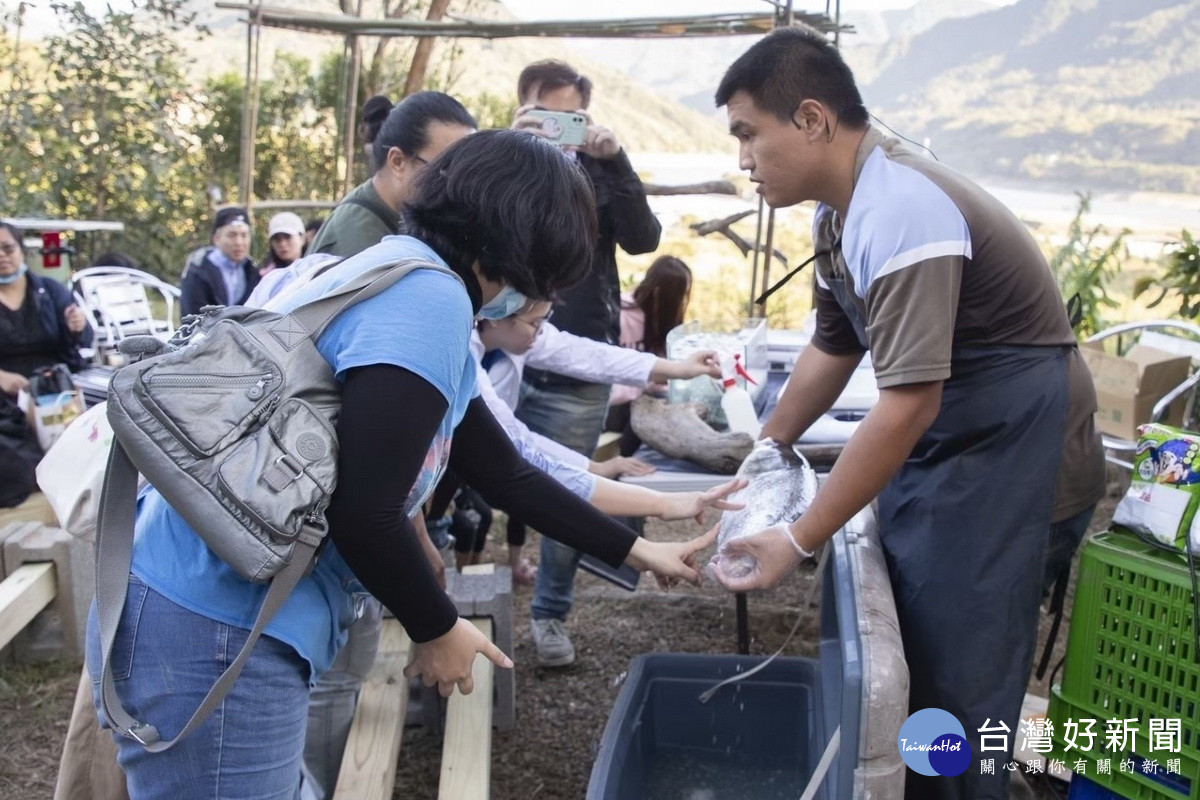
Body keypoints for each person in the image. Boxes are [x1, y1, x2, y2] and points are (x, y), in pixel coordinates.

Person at [86, 130, 717, 800]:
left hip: (202, 610)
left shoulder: (400, 267)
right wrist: (438, 626)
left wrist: (638, 549)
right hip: (214, 632)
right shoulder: (429, 302)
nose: (548, 298)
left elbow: (504, 471)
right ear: (518, 244)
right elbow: (365, 511)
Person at [706, 27, 1105, 800]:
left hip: (1013, 460)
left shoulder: (901, 208)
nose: (744, 159)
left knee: (959, 688)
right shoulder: (840, 214)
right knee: (918, 651)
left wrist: (797, 535)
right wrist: (769, 448)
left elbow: (906, 402)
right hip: (958, 449)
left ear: (814, 120)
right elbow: (832, 345)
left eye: (749, 134)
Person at [293, 91, 478, 799]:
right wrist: (435, 624)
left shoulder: (411, 254)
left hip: (320, 535)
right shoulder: (400, 265)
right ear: (397, 162)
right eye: (447, 170)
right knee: (322, 683)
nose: (460, 193)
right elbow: (368, 471)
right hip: (295, 540)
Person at [509, 60, 663, 666]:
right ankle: (435, 594)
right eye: (545, 114)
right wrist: (519, 151)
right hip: (498, 347)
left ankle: (549, 614)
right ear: (522, 109)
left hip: (578, 354)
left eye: (572, 116)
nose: (561, 127)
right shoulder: (501, 162)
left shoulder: (601, 168)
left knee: (572, 494)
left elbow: (644, 239)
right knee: (458, 475)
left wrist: (615, 159)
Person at [473, 299, 721, 590]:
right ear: (494, 316)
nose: (541, 333)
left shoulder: (514, 335)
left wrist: (677, 369)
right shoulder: (467, 361)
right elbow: (516, 446)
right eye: (535, 323)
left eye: (545, 321)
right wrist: (654, 506)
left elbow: (588, 355)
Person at [308, 91, 476, 258]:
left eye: (465, 175)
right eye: (445, 171)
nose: (457, 187)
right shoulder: (359, 244)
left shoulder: (402, 219)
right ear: (397, 162)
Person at [607, 254, 693, 455]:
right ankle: (623, 467)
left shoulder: (665, 321)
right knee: (649, 413)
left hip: (645, 396)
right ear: (660, 292)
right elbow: (609, 377)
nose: (682, 302)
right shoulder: (619, 315)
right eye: (679, 295)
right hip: (615, 405)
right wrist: (646, 383)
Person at [179, 207, 258, 315]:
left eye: (244, 235)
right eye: (232, 235)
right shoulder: (198, 271)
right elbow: (193, 319)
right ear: (216, 239)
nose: (239, 242)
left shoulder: (251, 270)